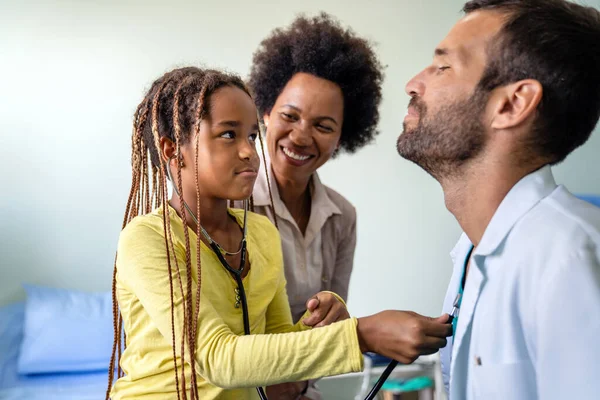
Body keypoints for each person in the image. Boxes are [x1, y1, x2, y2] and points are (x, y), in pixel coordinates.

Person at [106, 66, 452, 400]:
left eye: (252, 136)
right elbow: (216, 358)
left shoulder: (260, 233)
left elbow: (277, 338)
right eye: (229, 134)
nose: (249, 151)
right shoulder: (148, 239)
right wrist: (360, 335)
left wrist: (325, 319)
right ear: (172, 150)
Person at [396, 1, 600, 399]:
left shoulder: (569, 258)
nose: (413, 83)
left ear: (511, 104)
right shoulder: (473, 251)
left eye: (442, 67)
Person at [247, 14, 383, 398]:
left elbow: (331, 328)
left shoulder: (343, 217)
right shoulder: (229, 204)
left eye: (323, 126)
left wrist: (335, 314)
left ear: (342, 136)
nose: (302, 136)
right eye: (290, 116)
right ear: (266, 112)